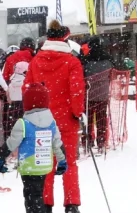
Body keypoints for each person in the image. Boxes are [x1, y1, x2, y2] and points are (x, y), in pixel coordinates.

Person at [24, 21, 87, 213]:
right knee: (68, 162)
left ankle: (45, 203)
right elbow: (76, 91)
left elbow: (27, 89)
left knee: (45, 163)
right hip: (66, 119)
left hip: (41, 120)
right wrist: (78, 113)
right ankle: (71, 204)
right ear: (65, 38)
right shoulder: (72, 62)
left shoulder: (36, 61)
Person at [0, 82, 67, 213]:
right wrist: (62, 160)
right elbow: (57, 143)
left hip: (29, 166)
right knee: (37, 193)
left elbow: (12, 143)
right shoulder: (51, 122)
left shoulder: (23, 123)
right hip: (44, 164)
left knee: (31, 197)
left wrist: (1, 157)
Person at [82, 37, 114, 152]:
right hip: (103, 94)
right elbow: (111, 74)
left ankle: (88, 141)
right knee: (101, 119)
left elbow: (83, 75)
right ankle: (101, 141)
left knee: (88, 119)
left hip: (89, 95)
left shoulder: (86, 60)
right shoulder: (108, 60)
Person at [2, 39, 35, 139]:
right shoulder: (34, 58)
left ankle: (11, 140)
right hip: (29, 93)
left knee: (12, 120)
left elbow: (5, 77)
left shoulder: (11, 58)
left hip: (13, 94)